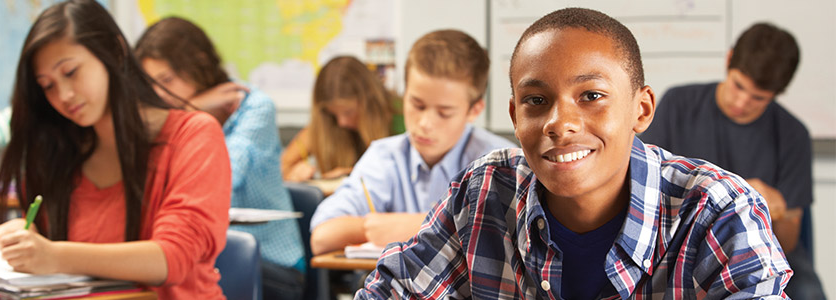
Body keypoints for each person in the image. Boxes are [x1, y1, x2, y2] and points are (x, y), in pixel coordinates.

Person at [356, 8, 791, 299]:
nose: (559, 124)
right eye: (536, 101)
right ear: (514, 115)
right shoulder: (486, 191)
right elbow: (393, 290)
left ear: (641, 110)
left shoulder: (715, 212)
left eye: (591, 95)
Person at [0, 1, 230, 299]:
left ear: (115, 52)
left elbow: (172, 257)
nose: (63, 96)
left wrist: (53, 254)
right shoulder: (60, 153)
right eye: (47, 86)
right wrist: (25, 245)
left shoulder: (193, 135)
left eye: (71, 72)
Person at [640, 23, 824, 298]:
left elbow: (789, 240)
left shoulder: (792, 134)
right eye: (738, 86)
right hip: (679, 240)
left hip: (761, 247)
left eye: (758, 98)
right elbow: (643, 188)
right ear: (729, 60)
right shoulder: (678, 104)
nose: (741, 102)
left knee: (807, 290)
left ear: (776, 95)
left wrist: (780, 210)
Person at [134, 17, 305, 299]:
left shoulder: (254, 105)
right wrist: (195, 107)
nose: (159, 96)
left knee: (177, 274)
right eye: (151, 85)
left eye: (167, 81)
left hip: (271, 261)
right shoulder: (171, 118)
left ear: (198, 64)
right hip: (206, 256)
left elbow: (219, 177)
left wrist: (191, 114)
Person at [310, 30, 515, 256]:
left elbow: (516, 242)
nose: (425, 123)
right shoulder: (384, 157)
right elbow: (321, 237)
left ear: (474, 110)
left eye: (444, 113)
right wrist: (374, 227)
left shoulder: (501, 164)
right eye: (417, 105)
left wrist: (414, 226)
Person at [281, 56, 404, 182]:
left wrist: (353, 175)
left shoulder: (402, 116)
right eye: (333, 114)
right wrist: (293, 174)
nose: (341, 122)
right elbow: (281, 168)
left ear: (369, 102)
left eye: (348, 112)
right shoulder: (326, 124)